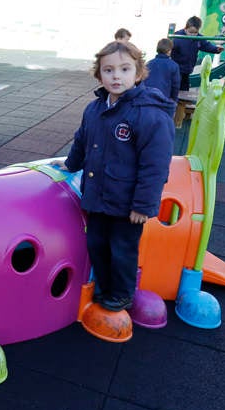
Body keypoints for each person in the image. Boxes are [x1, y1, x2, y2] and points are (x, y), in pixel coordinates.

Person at [55, 41, 174, 312]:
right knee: (97, 244)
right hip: (97, 195)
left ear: (139, 73)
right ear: (99, 75)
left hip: (127, 204)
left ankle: (121, 294)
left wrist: (143, 206)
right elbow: (81, 142)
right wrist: (70, 164)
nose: (116, 76)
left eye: (124, 69)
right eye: (108, 70)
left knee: (122, 250)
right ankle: (104, 287)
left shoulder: (149, 115)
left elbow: (155, 166)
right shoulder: (95, 109)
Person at [170, 16, 223, 91]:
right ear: (185, 28)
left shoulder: (198, 38)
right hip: (177, 68)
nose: (192, 35)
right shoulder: (178, 37)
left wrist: (216, 49)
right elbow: (169, 48)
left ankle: (183, 101)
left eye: (195, 33)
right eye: (190, 32)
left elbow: (206, 45)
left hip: (187, 68)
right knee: (176, 86)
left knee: (184, 88)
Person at [143, 38, 180, 103]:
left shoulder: (149, 63)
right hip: (163, 98)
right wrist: (174, 99)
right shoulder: (174, 66)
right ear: (169, 51)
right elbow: (175, 85)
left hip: (146, 97)